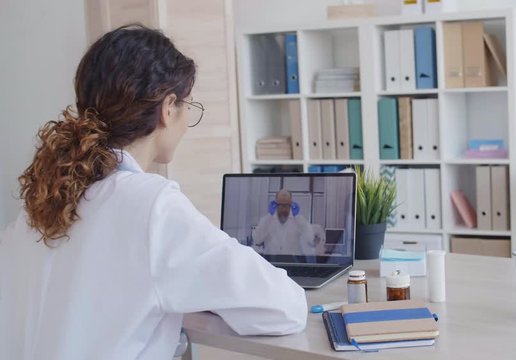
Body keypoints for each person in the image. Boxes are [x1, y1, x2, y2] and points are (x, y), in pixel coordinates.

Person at [0, 24, 307, 360]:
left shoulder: (40, 203)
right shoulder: (151, 205)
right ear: (168, 107)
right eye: (188, 105)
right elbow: (285, 306)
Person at [252, 189, 319, 255]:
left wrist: (298, 218)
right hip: (271, 263)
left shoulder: (299, 221)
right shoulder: (266, 220)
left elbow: (311, 240)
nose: (283, 209)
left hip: (292, 263)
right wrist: (269, 217)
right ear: (276, 204)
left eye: (286, 205)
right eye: (281, 205)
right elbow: (257, 239)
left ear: (291, 204)